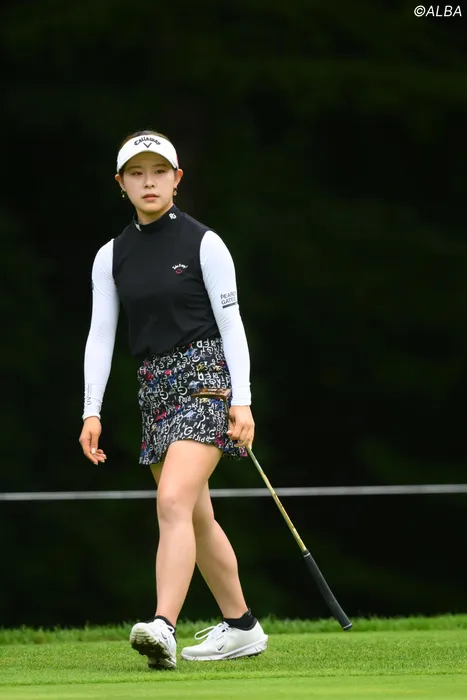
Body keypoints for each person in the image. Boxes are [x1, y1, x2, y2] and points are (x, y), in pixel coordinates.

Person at [79, 130, 268, 669]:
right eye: (137, 173)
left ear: (177, 179)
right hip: (154, 388)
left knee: (171, 502)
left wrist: (242, 400)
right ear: (121, 184)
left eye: (159, 172)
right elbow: (101, 336)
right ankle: (242, 627)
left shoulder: (205, 244)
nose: (149, 182)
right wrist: (91, 410)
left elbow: (232, 325)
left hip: (207, 379)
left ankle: (163, 625)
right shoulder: (110, 256)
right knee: (196, 515)